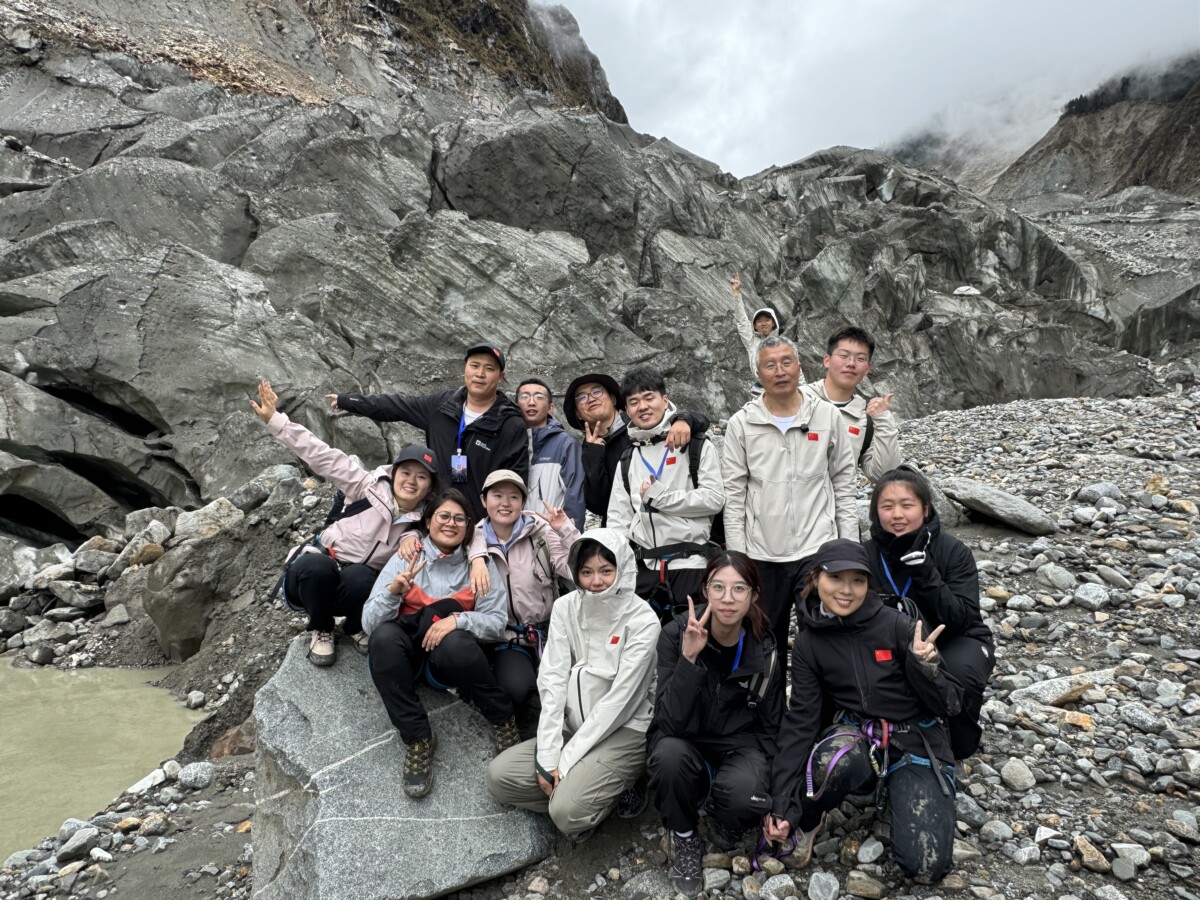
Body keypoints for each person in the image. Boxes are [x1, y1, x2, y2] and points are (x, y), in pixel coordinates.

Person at [765, 539, 962, 883]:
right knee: (830, 761)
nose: (846, 590)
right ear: (815, 578)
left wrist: (926, 668)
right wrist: (783, 803)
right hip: (859, 739)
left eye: (857, 580)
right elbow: (801, 722)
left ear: (868, 583)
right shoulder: (809, 643)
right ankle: (813, 818)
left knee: (925, 868)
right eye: (835, 578)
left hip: (915, 742)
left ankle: (900, 790)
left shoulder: (899, 625)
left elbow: (951, 704)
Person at [251, 379, 439, 667]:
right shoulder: (365, 486)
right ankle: (322, 627)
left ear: (430, 487)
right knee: (317, 566)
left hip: (356, 590)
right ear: (394, 473)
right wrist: (276, 421)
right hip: (314, 579)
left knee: (363, 576)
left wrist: (411, 538)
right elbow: (322, 455)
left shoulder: (422, 524)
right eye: (406, 473)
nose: (411, 481)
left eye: (422, 477)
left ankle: (355, 626)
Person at [486, 530, 660, 840]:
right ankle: (582, 789)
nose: (596, 581)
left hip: (624, 729)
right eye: (587, 572)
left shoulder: (643, 620)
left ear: (623, 568)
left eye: (606, 570)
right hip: (575, 723)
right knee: (499, 777)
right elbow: (552, 680)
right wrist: (548, 757)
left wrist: (563, 764)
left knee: (566, 814)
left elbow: (620, 702)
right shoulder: (566, 607)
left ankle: (616, 787)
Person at [362, 489, 516, 799]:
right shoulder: (406, 557)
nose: (450, 523)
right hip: (408, 657)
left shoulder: (480, 567)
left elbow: (497, 622)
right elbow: (369, 623)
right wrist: (393, 593)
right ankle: (418, 738)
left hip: (449, 661)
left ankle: (502, 718)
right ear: (428, 521)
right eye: (443, 516)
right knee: (383, 639)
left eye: (459, 518)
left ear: (468, 527)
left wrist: (458, 620)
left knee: (456, 641)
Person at [647, 551, 783, 897]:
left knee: (746, 796)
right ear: (705, 590)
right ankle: (684, 834)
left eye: (739, 589)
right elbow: (669, 721)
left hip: (738, 742)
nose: (727, 598)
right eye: (718, 587)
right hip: (686, 736)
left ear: (753, 595)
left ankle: (725, 818)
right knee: (667, 757)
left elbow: (771, 728)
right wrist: (689, 658)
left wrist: (778, 801)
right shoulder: (675, 635)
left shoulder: (765, 647)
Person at [721, 335, 857, 651]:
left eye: (786, 362)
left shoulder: (826, 416)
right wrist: (739, 559)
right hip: (763, 553)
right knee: (765, 640)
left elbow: (844, 484)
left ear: (799, 366)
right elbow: (734, 495)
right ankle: (772, 686)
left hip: (817, 548)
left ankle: (818, 685)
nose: (780, 371)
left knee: (825, 637)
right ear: (758, 373)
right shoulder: (741, 424)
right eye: (770, 365)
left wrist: (848, 547)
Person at [863, 467, 994, 760]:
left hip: (953, 638)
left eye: (907, 505)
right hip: (892, 641)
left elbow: (960, 619)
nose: (897, 515)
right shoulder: (866, 554)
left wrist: (925, 572)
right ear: (875, 512)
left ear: (925, 509)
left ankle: (956, 742)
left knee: (958, 673)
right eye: (887, 506)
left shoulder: (952, 551)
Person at [328, 343, 528, 519]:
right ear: (465, 369)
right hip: (436, 517)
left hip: (480, 524)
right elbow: (396, 406)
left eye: (489, 368)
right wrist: (349, 401)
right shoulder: (442, 406)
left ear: (500, 377)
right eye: (474, 365)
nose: (480, 374)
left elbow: (515, 483)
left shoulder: (510, 424)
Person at [606, 367, 724, 620]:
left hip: (690, 564)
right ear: (627, 410)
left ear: (665, 400)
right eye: (633, 402)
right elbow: (618, 520)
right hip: (644, 569)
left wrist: (660, 497)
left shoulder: (697, 445)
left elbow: (714, 499)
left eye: (649, 397)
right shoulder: (628, 458)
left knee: (691, 639)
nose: (642, 407)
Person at [477, 468, 580, 725]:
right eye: (497, 495)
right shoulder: (473, 541)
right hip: (506, 636)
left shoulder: (541, 533)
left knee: (573, 690)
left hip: (548, 631)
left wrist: (566, 530)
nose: (505, 503)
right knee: (516, 689)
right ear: (483, 500)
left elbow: (575, 570)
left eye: (513, 497)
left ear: (523, 503)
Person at [563, 373, 707, 526]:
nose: (591, 399)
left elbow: (695, 420)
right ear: (578, 413)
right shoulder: (584, 450)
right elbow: (599, 506)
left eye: (596, 391)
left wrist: (684, 419)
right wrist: (593, 454)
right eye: (582, 397)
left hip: (678, 520)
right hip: (623, 527)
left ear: (613, 399)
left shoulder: (639, 424)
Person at [801, 326, 900, 482]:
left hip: (839, 498)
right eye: (844, 356)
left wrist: (884, 421)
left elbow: (885, 476)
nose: (851, 363)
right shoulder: (797, 400)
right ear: (827, 360)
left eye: (860, 358)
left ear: (867, 368)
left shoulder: (865, 422)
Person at [516, 377, 586, 530]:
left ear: (551, 407)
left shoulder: (566, 444)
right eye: (524, 397)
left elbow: (575, 498)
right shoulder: (509, 443)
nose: (531, 402)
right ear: (516, 405)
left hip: (552, 535)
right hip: (514, 537)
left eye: (539, 397)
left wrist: (570, 536)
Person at [728, 272, 782, 387]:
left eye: (767, 320)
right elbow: (742, 321)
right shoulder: (751, 341)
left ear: (773, 323)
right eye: (759, 321)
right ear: (755, 326)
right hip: (762, 388)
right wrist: (736, 292)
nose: (763, 323)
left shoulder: (782, 345)